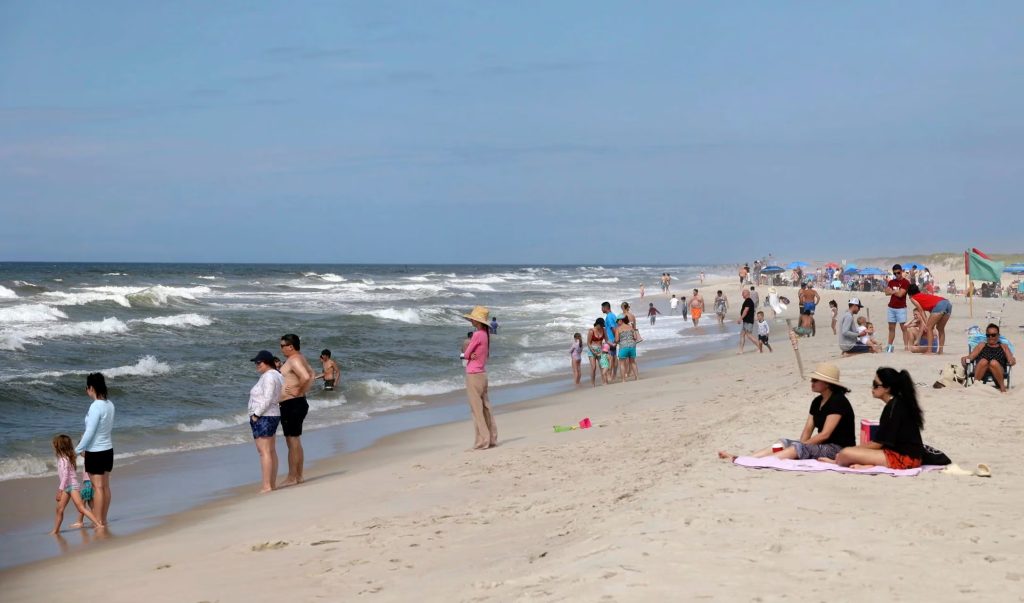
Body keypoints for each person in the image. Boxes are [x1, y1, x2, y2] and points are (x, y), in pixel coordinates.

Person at [718, 363, 855, 461]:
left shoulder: (838, 401)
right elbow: (808, 429)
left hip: (838, 448)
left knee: (797, 448)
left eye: (815, 380)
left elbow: (825, 434)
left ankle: (761, 461)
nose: (811, 382)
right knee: (782, 443)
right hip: (821, 445)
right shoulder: (817, 401)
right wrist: (802, 444)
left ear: (827, 383)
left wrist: (802, 446)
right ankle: (747, 458)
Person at [827, 368, 925, 470]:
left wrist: (852, 450)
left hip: (904, 458)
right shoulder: (897, 404)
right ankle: (866, 464)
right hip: (904, 454)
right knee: (850, 452)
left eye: (875, 384)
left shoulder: (893, 408)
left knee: (846, 453)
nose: (872, 388)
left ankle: (850, 462)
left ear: (887, 388)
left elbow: (878, 444)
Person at [75, 372, 115, 527]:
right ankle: (102, 519)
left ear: (91, 388)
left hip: (96, 451)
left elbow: (89, 432)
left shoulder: (95, 406)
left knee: (97, 488)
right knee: (105, 487)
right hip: (108, 449)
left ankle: (98, 521)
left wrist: (77, 449)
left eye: (87, 388)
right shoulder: (110, 404)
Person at [278, 333, 314, 486]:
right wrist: (302, 391)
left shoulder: (294, 360)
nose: (281, 349)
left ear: (290, 346)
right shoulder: (300, 358)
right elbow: (312, 375)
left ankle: (292, 477)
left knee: (292, 440)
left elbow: (306, 377)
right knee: (295, 440)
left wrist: (299, 391)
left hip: (292, 403)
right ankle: (298, 476)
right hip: (296, 403)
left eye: (282, 346)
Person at [50, 434, 103, 533]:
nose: (53, 447)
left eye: (54, 445)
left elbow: (65, 476)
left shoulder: (64, 460)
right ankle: (55, 530)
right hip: (66, 487)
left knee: (81, 508)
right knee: (59, 509)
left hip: (72, 487)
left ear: (59, 447)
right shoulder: (64, 458)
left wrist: (60, 490)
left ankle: (98, 524)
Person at [248, 350, 283, 493]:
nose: (257, 365)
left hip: (265, 416)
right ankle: (271, 484)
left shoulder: (269, 376)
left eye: (259, 362)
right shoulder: (276, 375)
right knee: (270, 451)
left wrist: (256, 414)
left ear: (267, 362)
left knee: (264, 452)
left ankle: (267, 485)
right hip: (271, 415)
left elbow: (268, 398)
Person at [463, 306, 497, 449]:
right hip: (482, 374)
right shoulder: (485, 335)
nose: (471, 320)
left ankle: (483, 440)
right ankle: (492, 437)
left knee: (477, 410)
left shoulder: (477, 335)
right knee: (486, 408)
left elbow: (466, 354)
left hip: (473, 374)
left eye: (472, 318)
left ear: (477, 321)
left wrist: (469, 355)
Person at [962, 324, 1016, 393]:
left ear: (998, 335)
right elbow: (970, 357)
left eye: (993, 335)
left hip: (998, 370)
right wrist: (964, 359)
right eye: (988, 335)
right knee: (984, 361)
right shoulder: (981, 345)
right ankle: (975, 386)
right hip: (981, 369)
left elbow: (1011, 360)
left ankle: (1002, 388)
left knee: (993, 362)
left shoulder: (1004, 346)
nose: (990, 337)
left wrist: (1012, 361)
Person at [907, 285, 952, 354]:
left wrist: (926, 323)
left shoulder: (913, 298)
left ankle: (929, 351)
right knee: (940, 328)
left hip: (939, 305)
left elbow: (921, 311)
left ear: (909, 293)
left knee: (929, 328)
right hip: (947, 303)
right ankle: (940, 351)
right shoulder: (923, 295)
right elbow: (932, 309)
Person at [884, 264, 911, 352]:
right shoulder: (891, 282)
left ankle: (906, 347)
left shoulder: (906, 282)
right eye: (895, 273)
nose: (897, 275)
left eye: (898, 273)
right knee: (891, 328)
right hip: (891, 307)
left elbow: (900, 294)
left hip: (901, 308)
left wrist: (892, 291)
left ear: (901, 271)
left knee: (904, 328)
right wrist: (895, 291)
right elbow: (886, 293)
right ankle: (889, 346)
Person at [615, 315, 639, 382]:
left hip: (623, 347)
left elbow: (616, 340)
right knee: (633, 362)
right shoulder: (630, 327)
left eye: (617, 321)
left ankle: (623, 380)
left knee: (622, 363)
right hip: (632, 346)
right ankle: (637, 377)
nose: (616, 323)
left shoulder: (618, 329)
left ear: (620, 320)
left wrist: (616, 341)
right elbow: (635, 337)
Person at [737, 289, 759, 353]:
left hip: (748, 321)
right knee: (742, 335)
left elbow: (746, 310)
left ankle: (759, 347)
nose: (742, 295)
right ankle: (741, 350)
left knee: (749, 335)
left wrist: (740, 318)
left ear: (747, 294)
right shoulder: (747, 301)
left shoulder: (748, 301)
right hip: (746, 321)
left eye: (743, 293)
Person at [586, 318, 607, 386]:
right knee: (593, 367)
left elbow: (607, 340)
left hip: (600, 350)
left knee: (602, 366)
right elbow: (588, 343)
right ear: (597, 324)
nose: (602, 327)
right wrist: (593, 351)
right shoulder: (591, 331)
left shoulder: (603, 330)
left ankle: (604, 382)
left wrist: (610, 346)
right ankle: (593, 383)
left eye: (602, 325)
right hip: (591, 350)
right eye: (601, 325)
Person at [601, 301, 619, 378]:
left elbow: (613, 328)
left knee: (609, 358)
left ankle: (610, 375)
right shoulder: (614, 315)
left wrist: (615, 339)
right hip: (613, 339)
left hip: (611, 340)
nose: (601, 309)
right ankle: (614, 375)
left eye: (602, 308)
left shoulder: (609, 316)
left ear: (605, 308)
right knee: (614, 357)